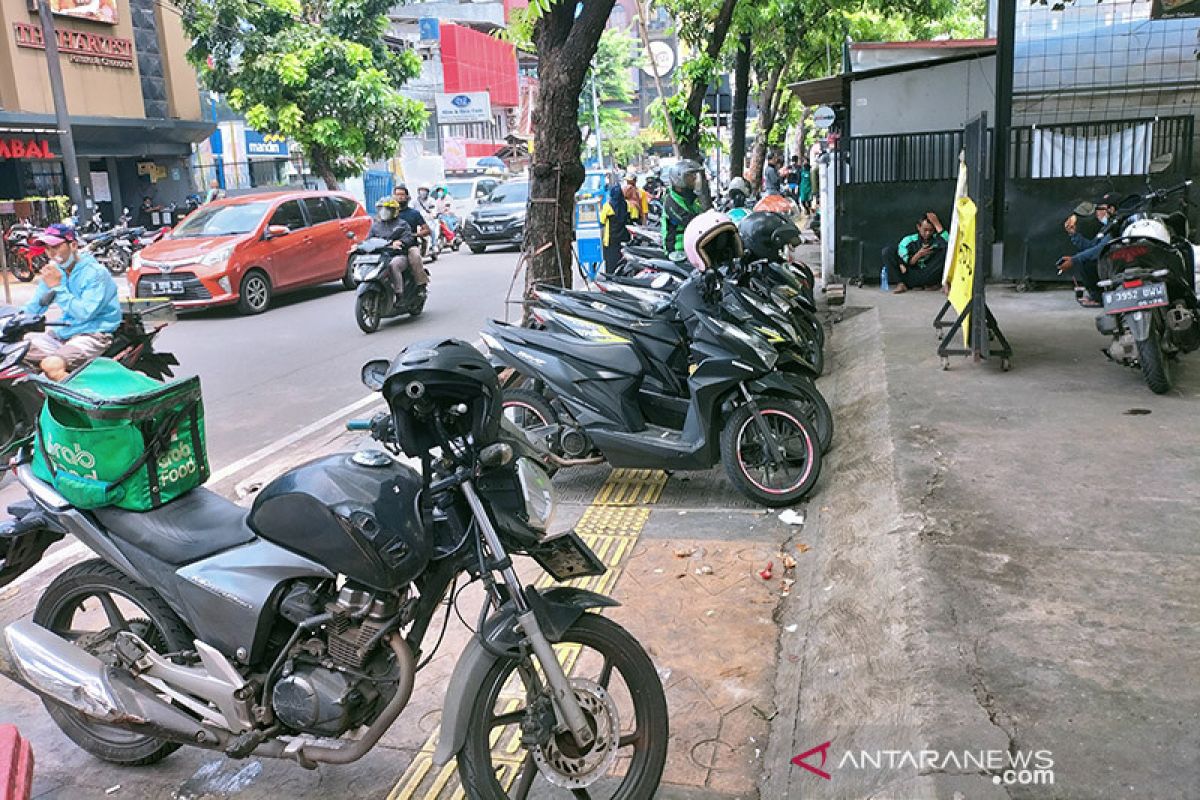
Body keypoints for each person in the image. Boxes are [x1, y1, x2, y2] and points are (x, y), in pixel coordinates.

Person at [20, 224, 121, 381]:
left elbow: (84, 313)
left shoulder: (95, 273)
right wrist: (11, 319)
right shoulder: (55, 272)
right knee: (16, 351)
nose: (51, 254)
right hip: (63, 333)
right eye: (47, 248)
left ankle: (87, 402)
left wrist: (58, 287)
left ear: (73, 245)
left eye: (56, 247)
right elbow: (35, 307)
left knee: (51, 366)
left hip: (93, 333)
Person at [883, 212, 949, 293]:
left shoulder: (937, 239)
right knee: (888, 251)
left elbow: (950, 244)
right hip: (911, 275)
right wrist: (919, 254)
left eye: (931, 230)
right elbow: (907, 262)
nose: (927, 233)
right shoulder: (909, 240)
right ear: (918, 227)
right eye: (925, 230)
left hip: (930, 274)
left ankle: (943, 284)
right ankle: (900, 284)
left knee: (946, 250)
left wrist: (937, 224)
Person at [661, 160, 705, 260]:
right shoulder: (672, 202)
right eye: (690, 176)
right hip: (677, 251)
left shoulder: (689, 198)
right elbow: (692, 223)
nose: (694, 178)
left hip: (693, 245)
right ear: (678, 179)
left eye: (695, 175)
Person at [600, 177, 631, 274]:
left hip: (611, 238)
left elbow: (601, 221)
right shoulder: (626, 204)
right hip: (623, 237)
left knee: (610, 261)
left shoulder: (608, 206)